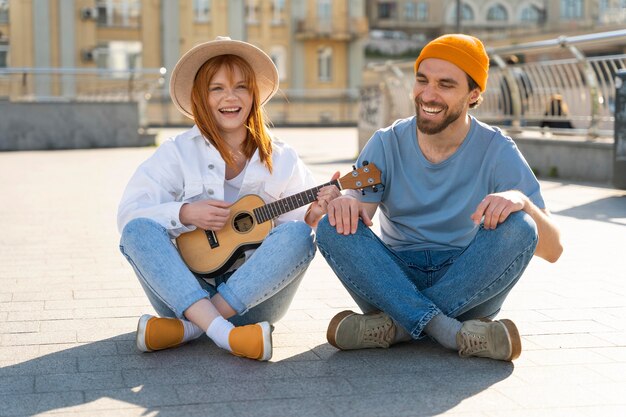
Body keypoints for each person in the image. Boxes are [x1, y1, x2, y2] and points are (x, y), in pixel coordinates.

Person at [316, 34, 563, 362]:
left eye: (445, 85)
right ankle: (451, 331)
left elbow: (553, 250)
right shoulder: (386, 143)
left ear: (473, 94)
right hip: (394, 278)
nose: (428, 95)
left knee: (522, 226)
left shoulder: (497, 149)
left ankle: (397, 327)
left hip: (470, 280)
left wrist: (522, 200)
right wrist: (345, 202)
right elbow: (359, 212)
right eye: (422, 80)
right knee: (332, 227)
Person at [117, 37, 339, 361]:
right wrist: (186, 212)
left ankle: (193, 330)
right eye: (216, 88)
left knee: (300, 235)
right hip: (182, 295)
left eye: (241, 87)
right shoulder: (177, 152)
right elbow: (130, 214)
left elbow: (288, 239)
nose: (230, 97)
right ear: (201, 97)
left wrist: (313, 213)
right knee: (137, 230)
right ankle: (226, 335)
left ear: (253, 95)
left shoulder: (283, 157)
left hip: (253, 300)